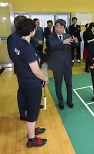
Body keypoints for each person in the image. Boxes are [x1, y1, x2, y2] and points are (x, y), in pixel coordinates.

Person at [7, 18, 48, 147]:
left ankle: (32, 127)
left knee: (29, 107)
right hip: (31, 83)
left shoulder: (15, 41)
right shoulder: (27, 48)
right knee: (33, 111)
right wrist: (45, 78)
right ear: (31, 31)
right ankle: (32, 139)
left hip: (23, 79)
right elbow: (36, 70)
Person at [48, 19, 78, 109]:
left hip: (67, 64)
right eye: (57, 26)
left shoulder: (67, 35)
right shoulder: (50, 37)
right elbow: (52, 47)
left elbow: (74, 45)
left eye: (61, 27)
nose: (58, 29)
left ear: (64, 28)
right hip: (57, 65)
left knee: (69, 83)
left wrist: (76, 42)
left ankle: (70, 101)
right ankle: (60, 101)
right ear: (55, 27)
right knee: (58, 84)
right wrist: (62, 42)